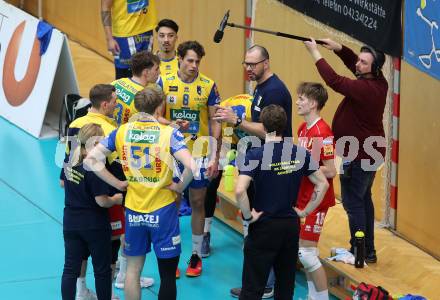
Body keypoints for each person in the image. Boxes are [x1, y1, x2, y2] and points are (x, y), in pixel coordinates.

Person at [86, 86, 195, 300]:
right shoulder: (168, 133)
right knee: (167, 276)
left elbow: (91, 160)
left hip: (133, 210)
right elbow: (192, 165)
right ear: (159, 107)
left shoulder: (122, 131)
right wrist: (180, 187)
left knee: (132, 271)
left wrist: (117, 183)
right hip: (162, 209)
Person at [214, 45, 293, 298]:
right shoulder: (260, 86)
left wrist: (237, 121)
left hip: (271, 163)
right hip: (260, 159)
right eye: (246, 64)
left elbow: (270, 131)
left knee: (262, 223)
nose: (248, 69)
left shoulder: (275, 91)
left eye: (253, 64)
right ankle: (262, 282)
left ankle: (264, 285)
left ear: (266, 63)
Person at [304, 38, 388, 263]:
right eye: (359, 60)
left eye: (363, 63)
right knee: (363, 199)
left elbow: (334, 81)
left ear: (374, 68)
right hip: (368, 152)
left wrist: (315, 53)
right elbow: (353, 62)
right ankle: (367, 250)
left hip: (360, 155)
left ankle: (358, 252)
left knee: (353, 202)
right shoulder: (378, 81)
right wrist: (339, 48)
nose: (357, 65)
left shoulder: (366, 89)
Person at [235, 104, 329, 300]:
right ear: (285, 125)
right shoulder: (300, 153)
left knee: (252, 287)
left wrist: (247, 215)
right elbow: (323, 184)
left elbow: (239, 190)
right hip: (289, 227)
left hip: (263, 226)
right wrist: (304, 211)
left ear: (263, 125)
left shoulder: (254, 155)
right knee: (285, 288)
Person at [157, 40, 222, 277]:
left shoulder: (209, 86)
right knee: (172, 203)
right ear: (180, 60)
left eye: (197, 61)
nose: (194, 65)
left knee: (197, 202)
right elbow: (156, 117)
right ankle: (171, 254)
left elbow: (216, 121)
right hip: (172, 153)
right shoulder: (164, 82)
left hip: (199, 154)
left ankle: (195, 255)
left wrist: (215, 154)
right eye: (190, 60)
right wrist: (170, 124)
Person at [61, 84, 126, 300]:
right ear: (105, 103)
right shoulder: (108, 131)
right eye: (115, 101)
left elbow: (66, 170)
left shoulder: (75, 124)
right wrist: (118, 193)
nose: (117, 105)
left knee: (72, 264)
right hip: (100, 208)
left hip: (72, 214)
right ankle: (119, 280)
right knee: (109, 251)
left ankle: (80, 291)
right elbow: (115, 171)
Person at [296, 82, 337, 300]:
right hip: (303, 197)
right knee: (304, 255)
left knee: (308, 254)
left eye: (301, 99)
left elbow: (331, 171)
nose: (297, 102)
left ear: (313, 103)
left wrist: (302, 166)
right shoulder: (303, 129)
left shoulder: (323, 133)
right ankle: (313, 296)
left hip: (318, 199)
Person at [202, 94, 254, 258]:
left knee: (250, 186)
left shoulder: (254, 112)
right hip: (230, 140)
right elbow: (217, 137)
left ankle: (248, 235)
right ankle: (205, 233)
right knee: (211, 182)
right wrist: (215, 159)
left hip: (252, 141)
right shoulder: (223, 109)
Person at [101, 0, 157, 79]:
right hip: (125, 36)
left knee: (146, 73)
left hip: (146, 31)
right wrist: (109, 38)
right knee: (125, 77)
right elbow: (105, 7)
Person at [112, 51, 161, 127]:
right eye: (156, 69)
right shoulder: (144, 98)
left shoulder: (115, 83)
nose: (159, 72)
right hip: (126, 137)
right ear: (146, 72)